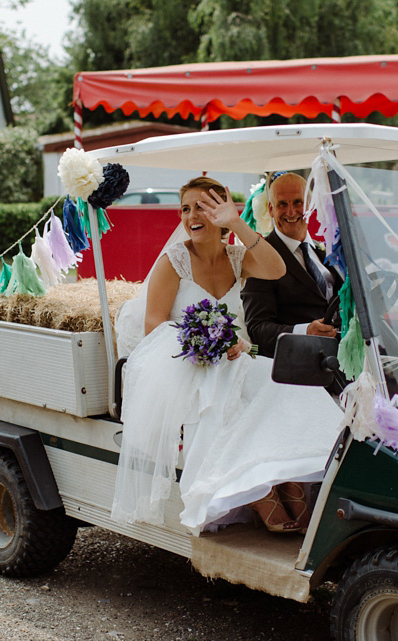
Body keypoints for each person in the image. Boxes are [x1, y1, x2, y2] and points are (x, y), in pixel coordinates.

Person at [112, 176, 343, 536]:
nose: (192, 216)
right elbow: (154, 326)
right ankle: (258, 489)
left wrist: (237, 224)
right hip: (181, 361)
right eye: (186, 208)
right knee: (229, 397)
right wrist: (205, 343)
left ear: (221, 212)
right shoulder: (173, 261)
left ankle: (281, 476)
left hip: (233, 356)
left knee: (284, 386)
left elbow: (276, 269)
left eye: (203, 207)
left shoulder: (238, 256)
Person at [242, 172, 343, 359]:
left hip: (343, 360)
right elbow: (258, 329)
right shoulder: (261, 258)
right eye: (282, 204)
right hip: (298, 367)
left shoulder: (326, 250)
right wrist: (305, 331)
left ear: (310, 204)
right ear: (271, 209)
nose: (291, 211)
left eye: (298, 202)